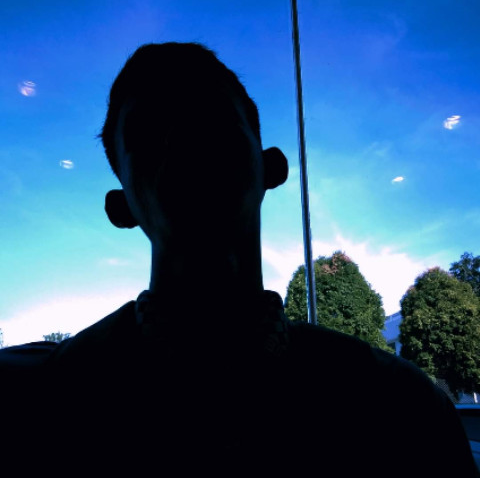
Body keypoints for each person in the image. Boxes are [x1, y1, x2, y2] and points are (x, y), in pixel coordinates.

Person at [1, 42, 478, 477]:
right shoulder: (391, 403)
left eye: (208, 117)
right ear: (120, 207)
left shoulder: (39, 403)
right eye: (149, 131)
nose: (182, 136)